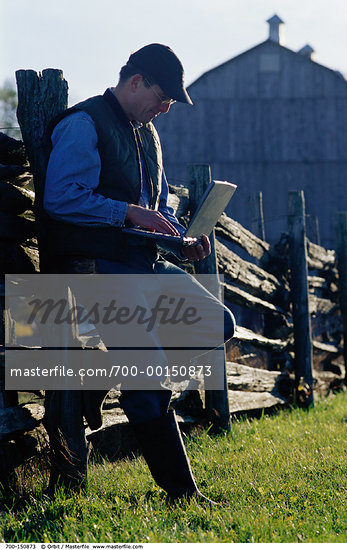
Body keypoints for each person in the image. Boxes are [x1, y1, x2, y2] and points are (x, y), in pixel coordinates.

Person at [42, 43, 235, 506]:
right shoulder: (84, 122)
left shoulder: (148, 135)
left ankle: (115, 375)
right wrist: (127, 212)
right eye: (163, 97)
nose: (166, 108)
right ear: (136, 82)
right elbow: (62, 196)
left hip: (143, 264)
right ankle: (182, 495)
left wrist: (181, 240)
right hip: (98, 266)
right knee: (147, 380)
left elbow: (159, 206)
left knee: (218, 323)